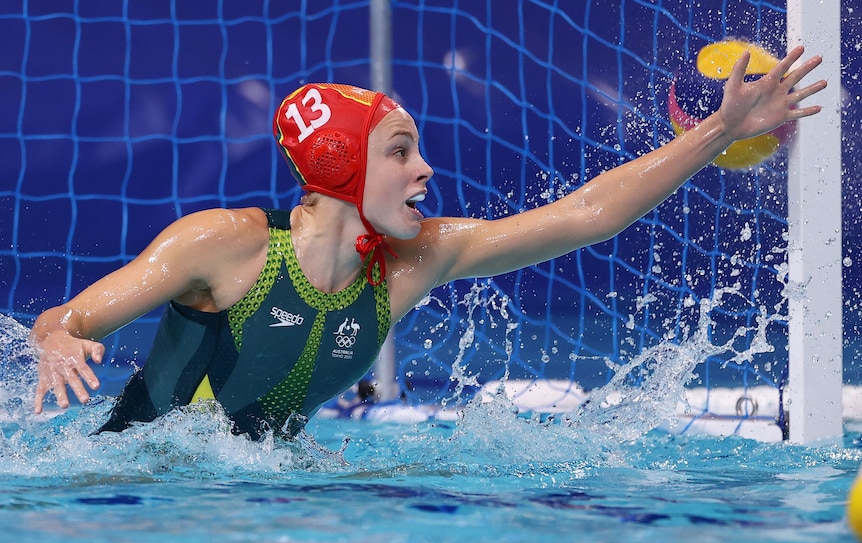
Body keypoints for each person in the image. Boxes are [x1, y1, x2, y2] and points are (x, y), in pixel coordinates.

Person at [30, 46, 826, 439]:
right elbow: (62, 321)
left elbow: (591, 212)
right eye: (401, 150)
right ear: (341, 166)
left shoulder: (414, 261)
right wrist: (60, 338)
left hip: (262, 489)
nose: (426, 167)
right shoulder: (224, 245)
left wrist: (722, 130)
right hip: (134, 486)